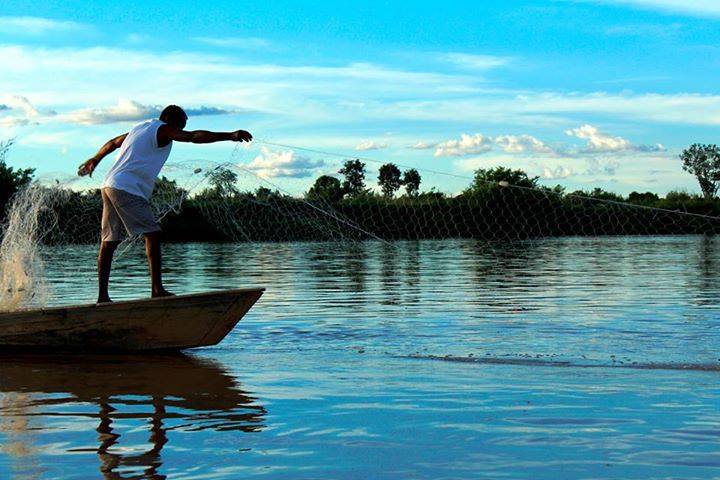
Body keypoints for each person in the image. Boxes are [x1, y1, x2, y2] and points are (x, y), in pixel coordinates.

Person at [78, 105, 252, 303]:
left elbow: (112, 143)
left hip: (109, 185)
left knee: (109, 242)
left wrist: (95, 159)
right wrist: (230, 135)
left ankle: (102, 297)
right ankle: (157, 289)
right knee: (152, 234)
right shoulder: (163, 128)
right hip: (127, 187)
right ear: (171, 120)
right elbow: (193, 136)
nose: (180, 130)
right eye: (181, 125)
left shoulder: (140, 128)